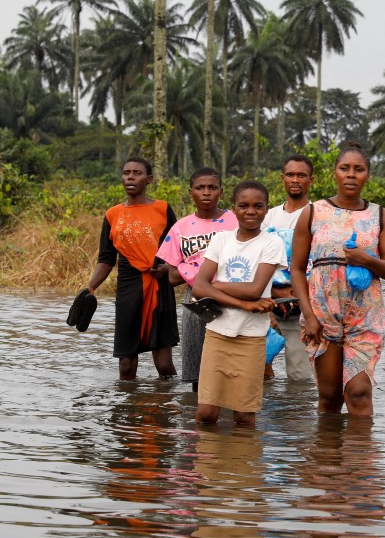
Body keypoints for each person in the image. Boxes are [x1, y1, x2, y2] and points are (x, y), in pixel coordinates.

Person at [292, 142, 385, 416]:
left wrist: (367, 260)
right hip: (321, 314)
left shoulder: (380, 215)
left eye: (358, 169)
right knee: (329, 397)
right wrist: (309, 315)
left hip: (365, 315)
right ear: (335, 174)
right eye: (345, 168)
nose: (351, 174)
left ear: (367, 175)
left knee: (359, 391)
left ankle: (359, 458)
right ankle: (326, 457)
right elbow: (296, 268)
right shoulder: (313, 212)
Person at [188, 180, 286, 427]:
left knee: (244, 415)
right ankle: (210, 463)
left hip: (251, 337)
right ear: (233, 209)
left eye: (257, 206)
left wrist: (217, 285)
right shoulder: (221, 239)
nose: (250, 211)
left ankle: (242, 462)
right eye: (243, 205)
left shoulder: (271, 243)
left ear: (266, 209)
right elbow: (199, 288)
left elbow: (254, 289)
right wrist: (244, 305)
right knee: (206, 413)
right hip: (217, 334)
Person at [82, 157, 179, 380]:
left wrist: (167, 269)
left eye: (137, 173)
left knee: (164, 365)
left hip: (159, 289)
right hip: (128, 291)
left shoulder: (162, 209)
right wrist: (90, 287)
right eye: (127, 173)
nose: (131, 177)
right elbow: (106, 259)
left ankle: (167, 409)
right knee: (126, 365)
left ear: (149, 179)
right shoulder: (112, 214)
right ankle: (127, 409)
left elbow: (176, 249)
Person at [156, 167, 237, 392]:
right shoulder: (181, 227)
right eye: (200, 188)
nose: (206, 192)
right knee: (196, 365)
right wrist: (196, 271)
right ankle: (198, 416)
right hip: (196, 300)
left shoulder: (234, 221)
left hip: (231, 293)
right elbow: (172, 277)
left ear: (222, 191)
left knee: (231, 361)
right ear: (190, 192)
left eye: (212, 187)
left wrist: (189, 268)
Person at [261, 154, 315, 382]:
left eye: (301, 175)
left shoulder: (318, 214)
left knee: (300, 378)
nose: (295, 179)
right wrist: (270, 294)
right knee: (260, 372)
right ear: (282, 178)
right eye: (290, 175)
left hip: (303, 308)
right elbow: (256, 260)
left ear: (310, 180)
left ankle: (297, 418)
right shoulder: (267, 216)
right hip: (267, 305)